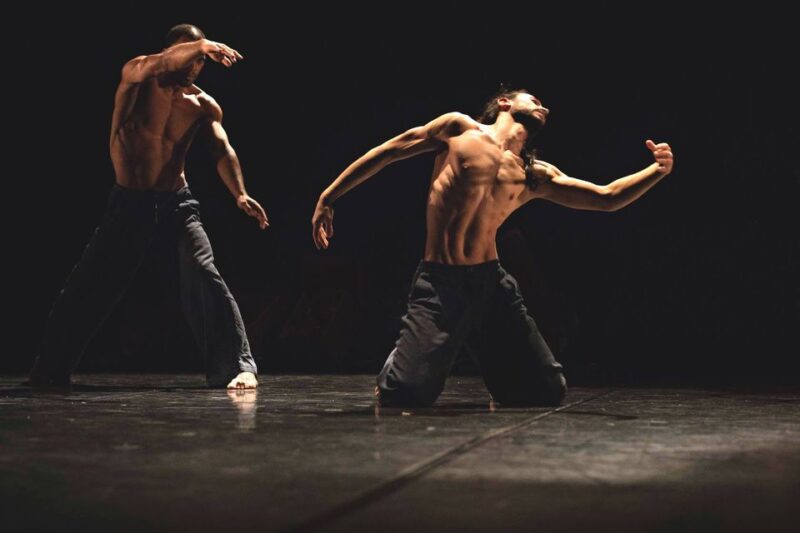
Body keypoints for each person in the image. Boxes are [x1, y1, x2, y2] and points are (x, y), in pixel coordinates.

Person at [312, 88, 673, 407]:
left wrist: (656, 171)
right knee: (405, 392)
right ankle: (401, 361)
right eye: (534, 100)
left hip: (491, 285)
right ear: (504, 102)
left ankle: (494, 360)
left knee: (547, 390)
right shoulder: (459, 129)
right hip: (440, 283)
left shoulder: (534, 174)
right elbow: (389, 151)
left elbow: (606, 197)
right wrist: (329, 196)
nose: (543, 107)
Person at [29, 24, 267, 389]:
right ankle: (50, 368)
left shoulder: (202, 105)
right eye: (189, 53)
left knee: (204, 272)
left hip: (177, 203)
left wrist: (239, 193)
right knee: (91, 283)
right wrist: (201, 44)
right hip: (129, 203)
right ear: (169, 52)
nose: (195, 63)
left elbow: (222, 150)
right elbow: (161, 64)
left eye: (200, 59)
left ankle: (236, 367)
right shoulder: (137, 76)